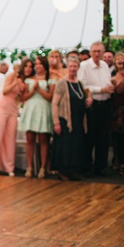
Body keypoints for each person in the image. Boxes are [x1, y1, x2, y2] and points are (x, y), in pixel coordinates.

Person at [0, 58, 27, 175]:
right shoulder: (11, 76)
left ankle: (9, 167)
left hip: (13, 108)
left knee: (10, 137)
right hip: (2, 106)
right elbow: (5, 91)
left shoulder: (25, 80)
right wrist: (15, 83)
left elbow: (21, 97)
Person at [52, 53, 91, 181]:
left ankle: (73, 171)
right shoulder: (62, 82)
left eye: (75, 66)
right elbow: (55, 103)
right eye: (70, 66)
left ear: (78, 67)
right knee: (65, 147)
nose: (73, 69)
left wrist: (88, 101)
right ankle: (62, 171)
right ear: (67, 67)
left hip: (78, 120)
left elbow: (82, 97)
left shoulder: (79, 83)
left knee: (75, 147)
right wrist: (56, 122)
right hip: (65, 120)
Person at [78, 41, 115, 176]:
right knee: (90, 138)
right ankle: (87, 167)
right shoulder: (84, 66)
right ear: (90, 52)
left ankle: (100, 167)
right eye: (94, 51)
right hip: (93, 105)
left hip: (105, 104)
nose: (97, 54)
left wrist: (111, 85)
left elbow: (107, 81)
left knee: (103, 138)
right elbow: (83, 86)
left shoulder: (105, 65)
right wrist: (101, 89)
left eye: (99, 51)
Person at [20, 53, 55, 178]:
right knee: (30, 139)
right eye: (36, 64)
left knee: (43, 140)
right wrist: (32, 91)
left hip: (43, 108)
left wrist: (39, 90)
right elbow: (23, 97)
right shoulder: (29, 79)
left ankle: (42, 167)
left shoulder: (50, 80)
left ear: (45, 65)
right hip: (31, 108)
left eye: (40, 63)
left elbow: (50, 97)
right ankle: (29, 167)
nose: (38, 66)